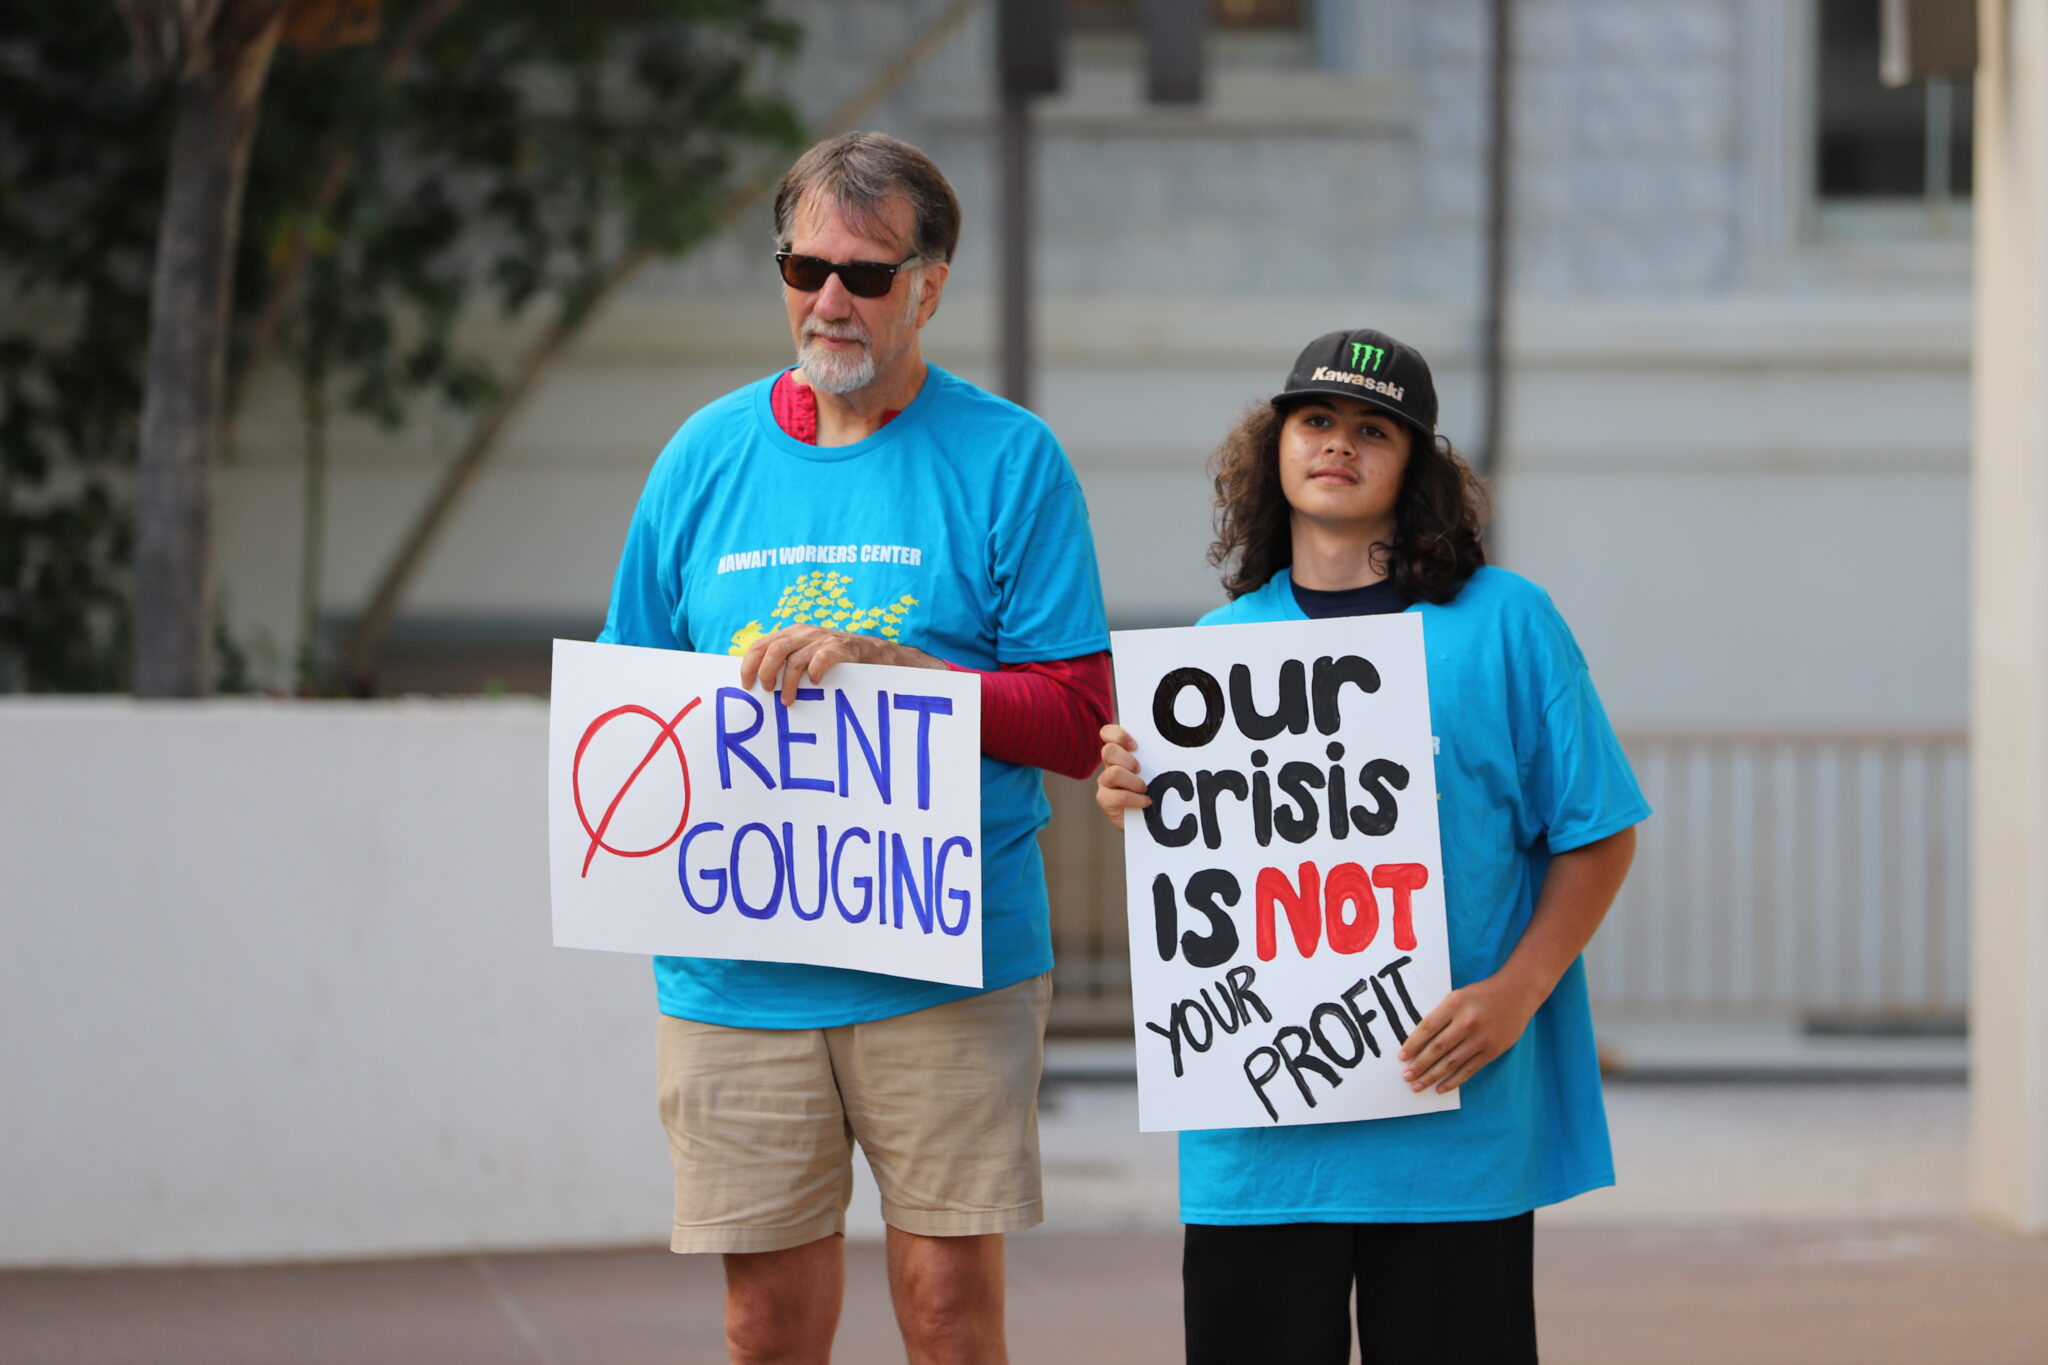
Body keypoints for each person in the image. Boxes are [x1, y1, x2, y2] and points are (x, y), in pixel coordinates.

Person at [598, 132, 1112, 1365]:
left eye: (866, 275)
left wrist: (913, 679)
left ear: (929, 286)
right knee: (761, 1323)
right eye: (803, 265)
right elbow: (630, 707)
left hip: (949, 960)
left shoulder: (1008, 461)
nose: (829, 299)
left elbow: (1078, 717)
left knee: (945, 1312)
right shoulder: (700, 460)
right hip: (740, 969)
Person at [1094, 327, 1649, 1365]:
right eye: (1313, 420)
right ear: (1273, 447)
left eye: (1370, 429)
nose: (1335, 444)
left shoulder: (1505, 625)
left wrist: (1519, 989)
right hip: (1253, 1142)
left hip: (1450, 1136)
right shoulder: (1213, 658)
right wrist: (1133, 793)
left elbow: (1599, 834)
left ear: (1416, 467)